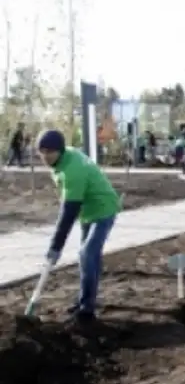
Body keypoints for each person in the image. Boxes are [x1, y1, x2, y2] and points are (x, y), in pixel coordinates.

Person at [37, 129, 120, 324]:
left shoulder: (72, 170)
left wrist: (55, 247)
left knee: (86, 254)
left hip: (103, 209)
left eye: (50, 151)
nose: (46, 156)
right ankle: (85, 300)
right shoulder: (63, 159)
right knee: (89, 257)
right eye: (42, 151)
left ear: (60, 150)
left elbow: (68, 213)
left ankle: (87, 309)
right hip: (87, 211)